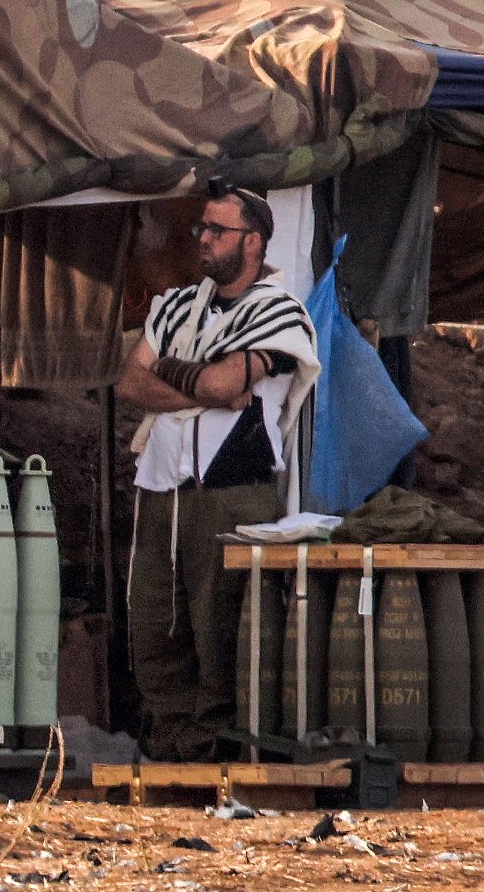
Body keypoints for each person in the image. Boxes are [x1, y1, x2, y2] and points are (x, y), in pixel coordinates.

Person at [117, 180, 320, 761]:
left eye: (217, 230)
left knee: (221, 625)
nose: (203, 238)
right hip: (163, 487)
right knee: (156, 620)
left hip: (232, 491)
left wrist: (179, 374)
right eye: (200, 227)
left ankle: (217, 749)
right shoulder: (176, 305)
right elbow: (131, 382)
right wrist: (202, 387)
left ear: (252, 242)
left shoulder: (280, 313)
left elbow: (225, 382)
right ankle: (172, 744)